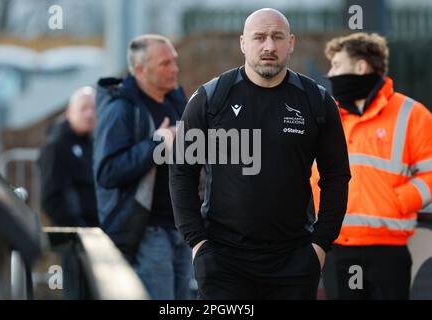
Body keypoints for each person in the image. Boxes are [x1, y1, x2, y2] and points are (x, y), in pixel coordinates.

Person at [169, 8, 351, 300]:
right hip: (224, 262)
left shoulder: (316, 101)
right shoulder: (210, 98)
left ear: (291, 43)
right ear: (243, 43)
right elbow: (181, 172)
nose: (269, 46)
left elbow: (337, 176)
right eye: (260, 37)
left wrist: (320, 245)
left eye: (277, 37)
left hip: (294, 261)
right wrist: (198, 244)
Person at [311, 32, 432, 300]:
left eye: (337, 65)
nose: (331, 74)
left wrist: (400, 201)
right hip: (337, 246)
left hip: (388, 249)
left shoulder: (412, 114)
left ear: (361, 66)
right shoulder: (325, 116)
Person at [93, 34, 192, 300]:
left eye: (174, 61)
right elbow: (107, 172)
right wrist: (156, 143)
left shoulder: (178, 103)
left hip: (182, 227)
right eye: (164, 63)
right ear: (140, 70)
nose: (174, 68)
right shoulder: (120, 109)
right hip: (147, 230)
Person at [38, 86, 98, 227]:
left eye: (94, 108)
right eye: (83, 108)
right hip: (73, 236)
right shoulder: (56, 146)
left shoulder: (92, 142)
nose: (89, 114)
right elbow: (51, 197)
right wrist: (75, 228)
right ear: (69, 112)